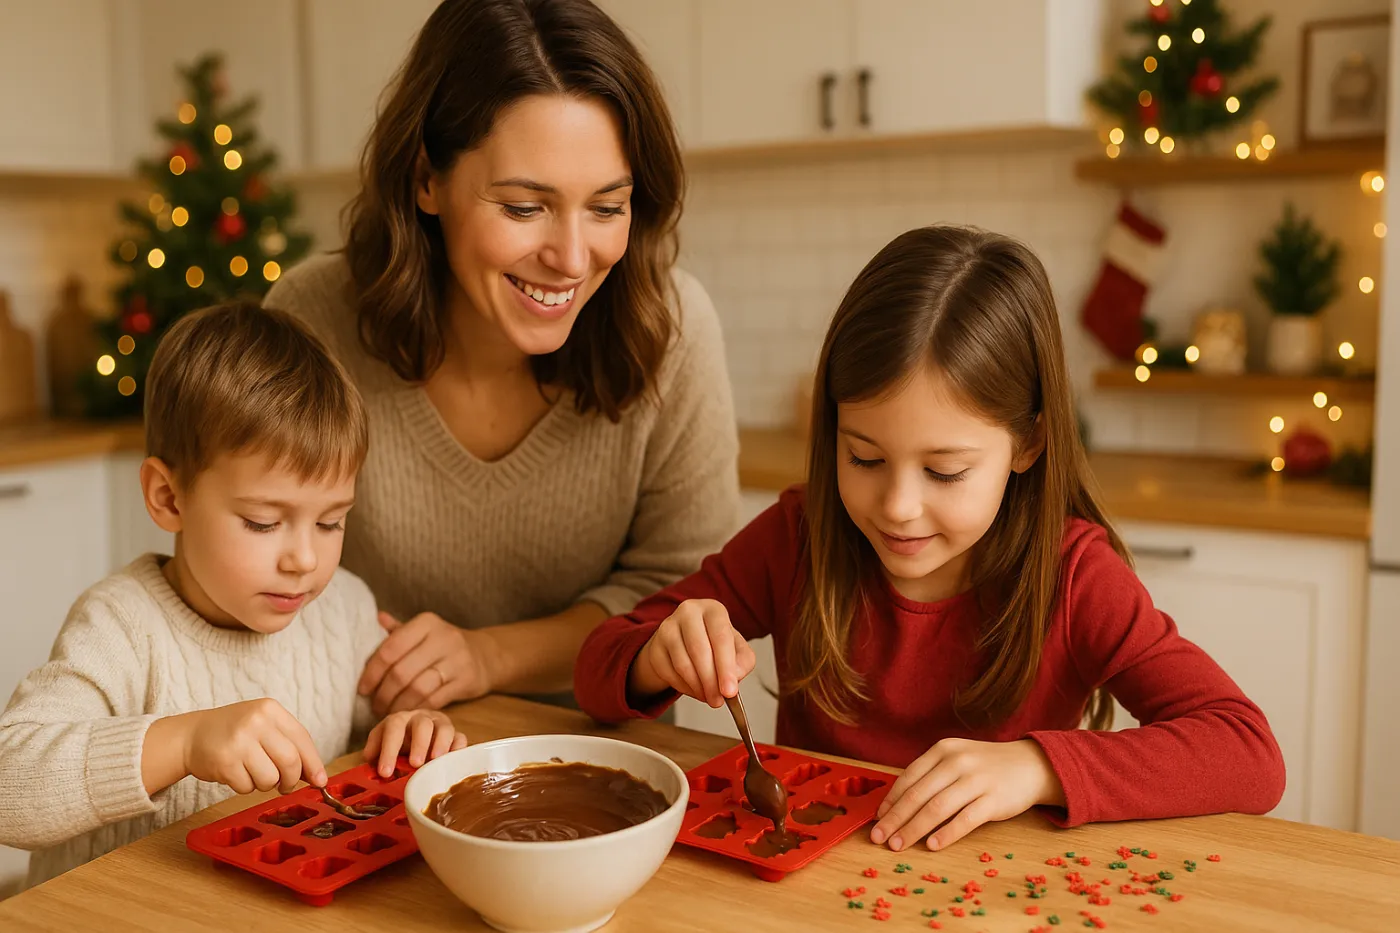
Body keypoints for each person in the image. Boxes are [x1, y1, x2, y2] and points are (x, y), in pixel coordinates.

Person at [574, 225, 1286, 852]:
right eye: (864, 457)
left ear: (1029, 442)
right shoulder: (798, 536)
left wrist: (1037, 768)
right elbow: (596, 672)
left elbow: (1248, 751)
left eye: (945, 471)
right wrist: (656, 656)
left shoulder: (1073, 576)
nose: (898, 507)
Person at [266, 0, 739, 718]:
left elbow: (679, 591)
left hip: (604, 751)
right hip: (369, 748)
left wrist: (485, 656)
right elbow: (245, 559)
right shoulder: (313, 319)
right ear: (427, 178)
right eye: (524, 207)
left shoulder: (673, 328)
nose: (572, 258)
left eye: (606, 207)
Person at [0, 302, 464, 887]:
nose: (304, 559)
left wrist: (416, 725)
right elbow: (9, 788)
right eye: (263, 523)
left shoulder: (342, 609)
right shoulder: (120, 626)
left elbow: (393, 719)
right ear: (169, 498)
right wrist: (184, 743)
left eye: (330, 522)